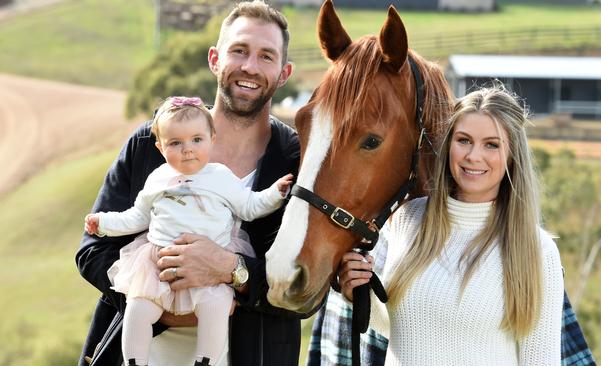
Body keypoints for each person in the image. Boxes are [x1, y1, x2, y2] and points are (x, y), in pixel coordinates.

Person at [76, 1, 312, 365]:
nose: (250, 66)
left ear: (284, 73)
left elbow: (306, 287)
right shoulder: (151, 145)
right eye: (239, 51)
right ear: (215, 59)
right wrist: (158, 300)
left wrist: (233, 270)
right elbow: (93, 250)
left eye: (266, 56)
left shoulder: (299, 164)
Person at [337, 85, 565, 365]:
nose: (473, 156)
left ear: (512, 155)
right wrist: (357, 293)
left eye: (491, 144)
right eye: (464, 140)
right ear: (449, 145)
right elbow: (401, 326)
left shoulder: (537, 250)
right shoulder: (408, 219)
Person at [83, 96, 293, 366]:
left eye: (197, 140)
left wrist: (275, 193)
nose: (187, 150)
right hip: (157, 263)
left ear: (211, 139)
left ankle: (204, 361)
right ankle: (135, 361)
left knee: (216, 308)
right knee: (138, 307)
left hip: (210, 267)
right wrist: (103, 223)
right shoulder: (157, 178)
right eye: (175, 143)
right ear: (160, 147)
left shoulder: (220, 177)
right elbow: (136, 217)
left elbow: (250, 206)